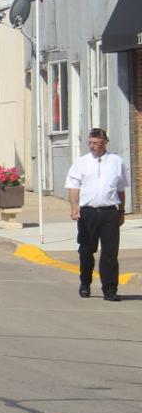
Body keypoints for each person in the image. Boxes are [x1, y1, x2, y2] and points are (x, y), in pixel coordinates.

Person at [65, 128, 130, 301]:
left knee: (110, 253)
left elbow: (121, 189)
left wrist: (121, 211)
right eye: (90, 142)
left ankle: (110, 290)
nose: (92, 146)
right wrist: (74, 206)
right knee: (86, 251)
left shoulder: (117, 162)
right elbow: (73, 186)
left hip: (110, 213)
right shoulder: (81, 162)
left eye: (96, 143)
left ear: (105, 143)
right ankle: (85, 283)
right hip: (88, 213)